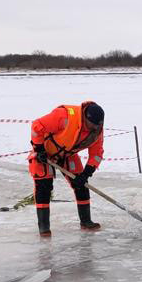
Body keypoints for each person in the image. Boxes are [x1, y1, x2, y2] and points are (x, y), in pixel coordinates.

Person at [28, 101, 105, 236]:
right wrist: (39, 150)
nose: (94, 128)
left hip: (68, 155)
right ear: (86, 117)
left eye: (97, 126)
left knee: (82, 186)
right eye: (91, 125)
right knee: (44, 188)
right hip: (44, 153)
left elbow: (97, 154)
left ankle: (86, 222)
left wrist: (86, 174)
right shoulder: (64, 116)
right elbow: (37, 126)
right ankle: (44, 229)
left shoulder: (97, 130)